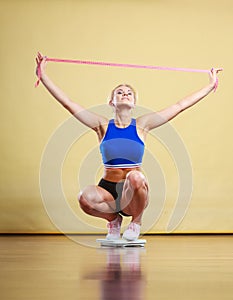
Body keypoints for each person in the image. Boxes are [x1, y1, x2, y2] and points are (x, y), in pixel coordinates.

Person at [36, 52, 221, 240]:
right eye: (119, 92)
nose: (125, 94)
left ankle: (136, 222)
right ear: (111, 102)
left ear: (134, 103)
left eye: (129, 93)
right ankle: (113, 220)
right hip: (108, 190)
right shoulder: (101, 125)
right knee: (84, 197)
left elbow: (180, 105)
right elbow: (69, 103)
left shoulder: (142, 125)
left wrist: (209, 85)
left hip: (133, 191)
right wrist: (43, 77)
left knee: (136, 177)